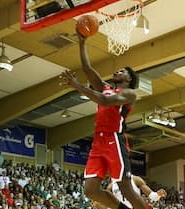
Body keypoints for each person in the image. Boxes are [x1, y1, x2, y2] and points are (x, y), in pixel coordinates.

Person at [60, 30, 144, 209]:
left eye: (121, 71)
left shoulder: (129, 94)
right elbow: (87, 69)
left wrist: (77, 86)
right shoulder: (105, 87)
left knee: (126, 188)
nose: (116, 71)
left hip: (114, 139)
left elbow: (104, 101)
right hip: (98, 140)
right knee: (90, 190)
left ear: (128, 79)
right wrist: (82, 43)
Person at [92, 175, 166, 209]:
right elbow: (108, 205)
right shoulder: (111, 185)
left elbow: (153, 196)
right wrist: (98, 205)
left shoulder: (136, 180)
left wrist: (158, 194)